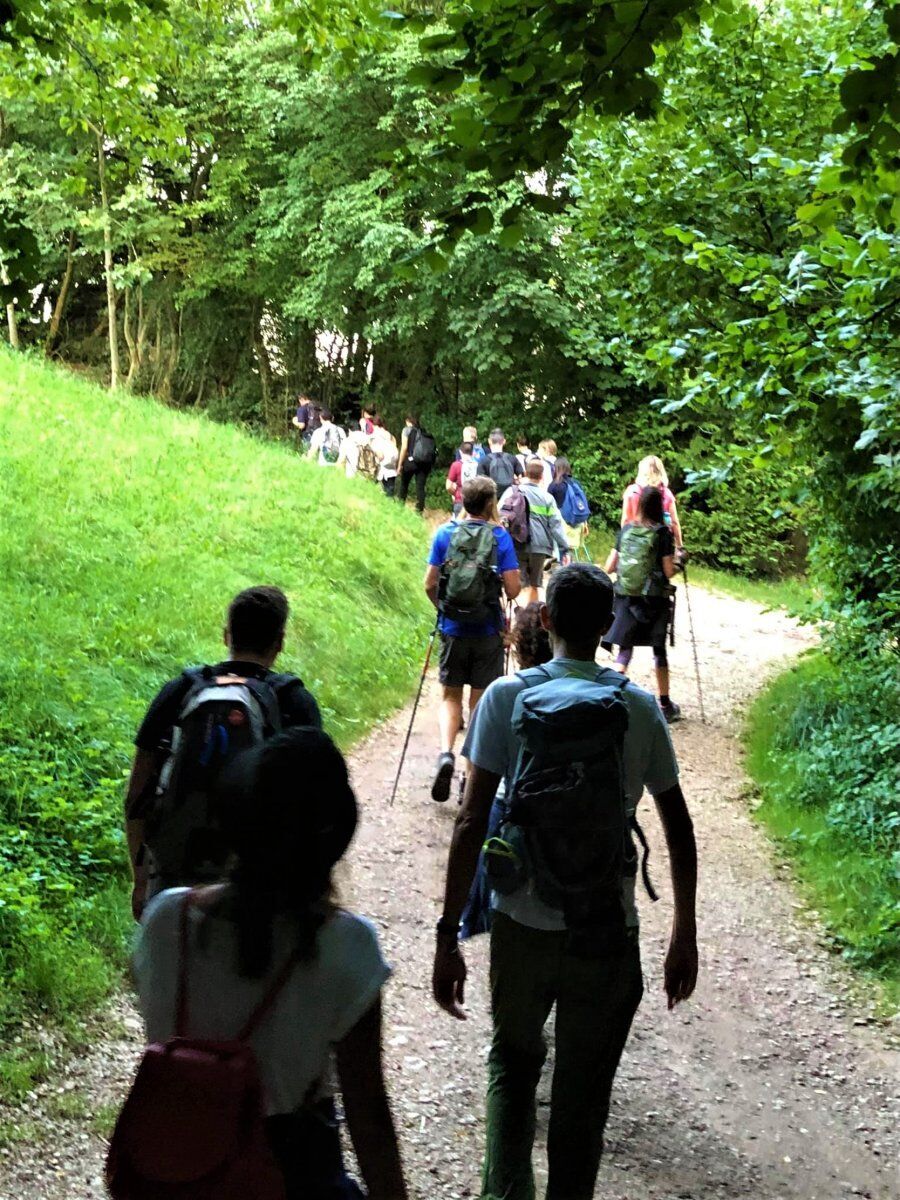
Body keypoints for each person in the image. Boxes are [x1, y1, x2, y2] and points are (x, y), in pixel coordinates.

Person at [431, 563, 698, 1200]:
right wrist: (683, 931)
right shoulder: (635, 707)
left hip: (522, 922)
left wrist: (448, 934)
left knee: (513, 1065)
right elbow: (679, 827)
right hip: (605, 927)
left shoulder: (505, 698)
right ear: (608, 626)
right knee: (583, 1093)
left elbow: (471, 821)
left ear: (544, 620)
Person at [133, 727, 408, 1200]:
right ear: (333, 839)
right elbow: (367, 1115)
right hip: (290, 1172)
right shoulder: (346, 946)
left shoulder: (165, 919)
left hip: (176, 1165)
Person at [125, 587, 322, 920]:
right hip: (261, 888)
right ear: (280, 642)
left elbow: (136, 796)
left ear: (226, 635)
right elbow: (316, 808)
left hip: (176, 880)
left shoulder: (181, 691)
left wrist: (141, 879)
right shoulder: (294, 702)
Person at [424, 476, 521, 803]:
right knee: (479, 704)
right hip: (488, 630)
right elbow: (513, 589)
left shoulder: (445, 533)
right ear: (491, 503)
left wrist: (446, 609)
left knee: (450, 697)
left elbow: (429, 584)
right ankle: (469, 775)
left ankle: (445, 754)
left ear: (464, 500)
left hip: (453, 630)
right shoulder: (500, 538)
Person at [458, 602, 552, 940]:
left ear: (518, 646)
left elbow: (475, 781)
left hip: (505, 806)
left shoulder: (504, 693)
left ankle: (475, 919)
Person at [605, 485, 681, 722]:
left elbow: (609, 567)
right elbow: (668, 571)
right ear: (659, 507)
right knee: (659, 651)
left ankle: (609, 699)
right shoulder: (662, 534)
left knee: (625, 650)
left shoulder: (626, 530)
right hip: (653, 601)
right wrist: (681, 563)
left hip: (626, 598)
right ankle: (666, 704)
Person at [508, 458, 571, 606]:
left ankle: (520, 618)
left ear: (525, 473)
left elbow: (499, 513)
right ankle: (531, 619)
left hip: (517, 542)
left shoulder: (512, 491)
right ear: (542, 476)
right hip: (540, 546)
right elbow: (556, 525)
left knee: (521, 582)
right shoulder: (547, 497)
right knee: (535, 583)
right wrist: (564, 547)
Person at [621, 455, 684, 549]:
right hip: (660, 543)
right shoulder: (666, 494)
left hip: (635, 542)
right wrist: (679, 546)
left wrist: (623, 542)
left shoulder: (631, 492)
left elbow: (625, 520)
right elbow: (674, 522)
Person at [548, 456, 590, 559]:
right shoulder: (575, 483)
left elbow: (548, 505)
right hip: (576, 520)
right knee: (569, 550)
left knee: (561, 550)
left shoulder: (554, 485)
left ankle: (563, 568)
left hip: (561, 522)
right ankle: (569, 566)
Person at [397, 414, 436, 514]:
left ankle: (399, 507)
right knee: (420, 486)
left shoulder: (406, 430)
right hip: (424, 462)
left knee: (404, 484)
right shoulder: (423, 431)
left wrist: (400, 464)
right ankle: (419, 511)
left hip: (411, 461)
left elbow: (404, 448)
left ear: (407, 421)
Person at [477, 429, 521, 495]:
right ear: (504, 441)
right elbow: (521, 478)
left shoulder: (484, 460)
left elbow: (479, 482)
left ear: (489, 441)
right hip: (510, 497)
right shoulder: (512, 458)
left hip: (492, 497)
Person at [445, 440, 479, 517]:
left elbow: (448, 486)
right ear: (473, 453)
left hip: (460, 500)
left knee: (459, 527)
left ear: (460, 452)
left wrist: (454, 493)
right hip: (475, 502)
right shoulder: (478, 466)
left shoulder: (456, 465)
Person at [371, 416, 399, 497]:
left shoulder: (374, 436)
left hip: (381, 468)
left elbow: (380, 455)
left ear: (374, 425)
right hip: (392, 466)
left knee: (374, 489)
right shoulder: (389, 434)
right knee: (390, 491)